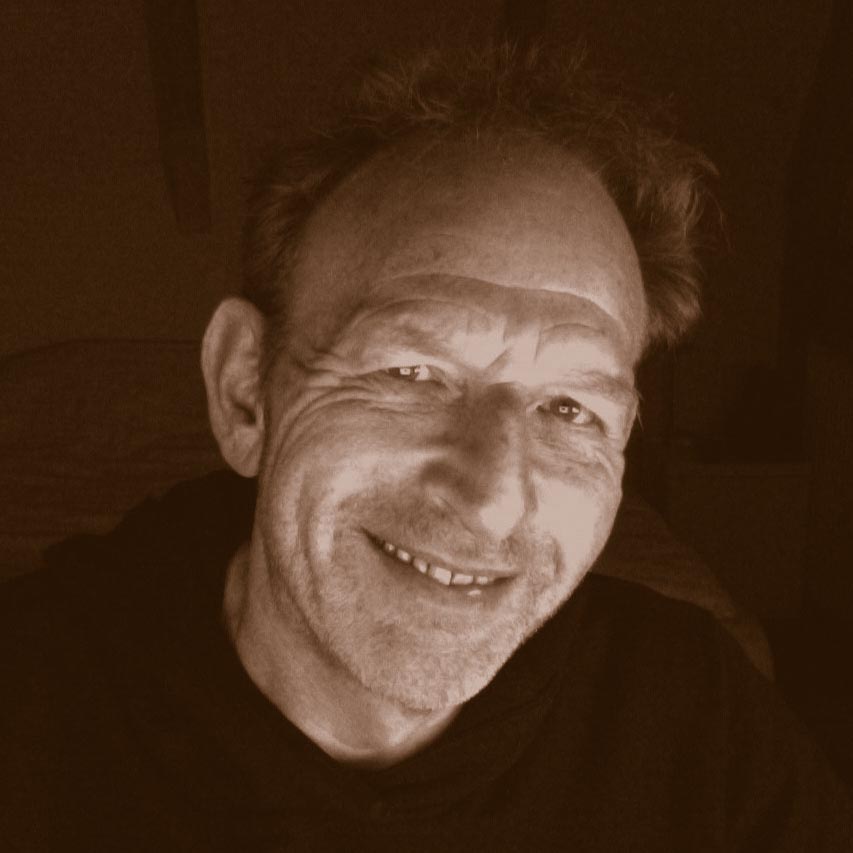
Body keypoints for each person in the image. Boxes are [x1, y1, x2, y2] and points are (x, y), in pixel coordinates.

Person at [2, 41, 852, 851]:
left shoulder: (699, 720)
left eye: (569, 408)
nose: (490, 496)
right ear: (243, 393)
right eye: (412, 372)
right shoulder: (37, 711)